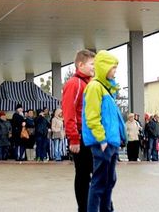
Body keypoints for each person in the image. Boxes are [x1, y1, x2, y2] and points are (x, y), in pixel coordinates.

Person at [82, 50, 126, 212]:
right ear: (104, 67)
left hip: (110, 142)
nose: (115, 71)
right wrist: (101, 139)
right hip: (103, 142)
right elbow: (92, 116)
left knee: (109, 181)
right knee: (100, 182)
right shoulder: (95, 87)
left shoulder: (106, 89)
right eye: (113, 67)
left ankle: (106, 209)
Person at [62, 49, 95, 212]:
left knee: (91, 173)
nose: (94, 67)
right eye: (92, 64)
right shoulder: (74, 83)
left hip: (90, 135)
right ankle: (83, 208)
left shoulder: (90, 83)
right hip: (81, 135)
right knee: (83, 174)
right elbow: (69, 112)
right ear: (80, 65)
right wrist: (74, 138)